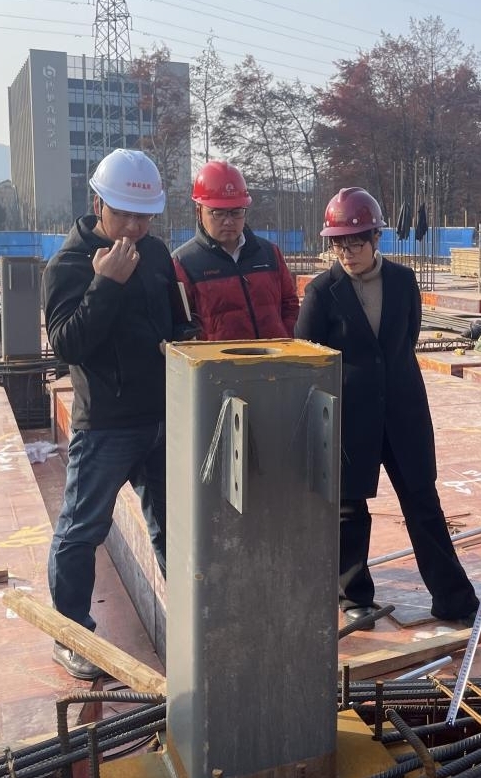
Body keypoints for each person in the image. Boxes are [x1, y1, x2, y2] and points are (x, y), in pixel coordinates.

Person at [295, 187, 481, 633]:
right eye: (339, 244)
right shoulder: (322, 292)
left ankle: (454, 599)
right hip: (349, 419)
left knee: (423, 504)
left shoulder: (404, 282)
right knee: (349, 510)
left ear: (376, 238)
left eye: (356, 243)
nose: (347, 253)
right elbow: (307, 356)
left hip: (404, 413)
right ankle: (355, 598)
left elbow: (405, 340)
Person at [43, 148, 192, 679]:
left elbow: (178, 318)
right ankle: (71, 633)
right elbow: (67, 344)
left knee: (174, 525)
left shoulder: (156, 253)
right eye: (124, 213)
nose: (133, 226)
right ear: (98, 205)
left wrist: (186, 341)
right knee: (82, 528)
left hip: (161, 418)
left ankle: (193, 618)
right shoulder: (68, 266)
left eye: (143, 216)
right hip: (106, 424)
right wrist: (105, 285)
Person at [173, 160, 300, 340]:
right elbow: (179, 325)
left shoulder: (269, 253)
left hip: (274, 356)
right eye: (218, 213)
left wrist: (284, 337)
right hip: (218, 359)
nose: (228, 221)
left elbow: (290, 305)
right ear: (199, 211)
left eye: (236, 212)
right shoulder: (184, 264)